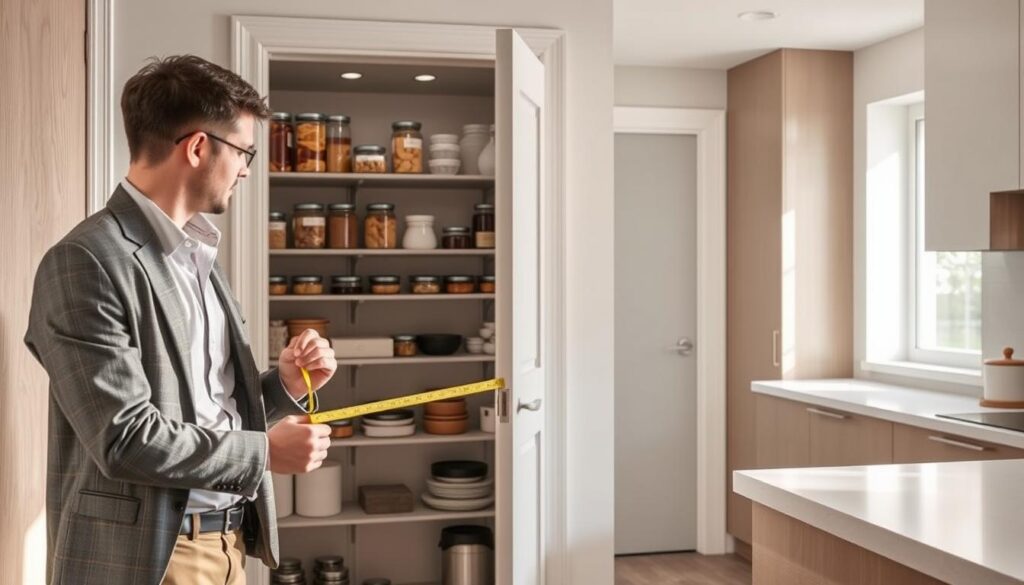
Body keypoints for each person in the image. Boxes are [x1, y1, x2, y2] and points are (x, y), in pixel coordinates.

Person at [23, 55, 336, 585]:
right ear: (196, 147)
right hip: (152, 560)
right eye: (244, 152)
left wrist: (282, 385)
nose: (245, 169)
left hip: (228, 543)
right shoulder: (85, 261)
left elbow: (205, 406)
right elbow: (124, 437)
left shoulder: (197, 258)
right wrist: (262, 454)